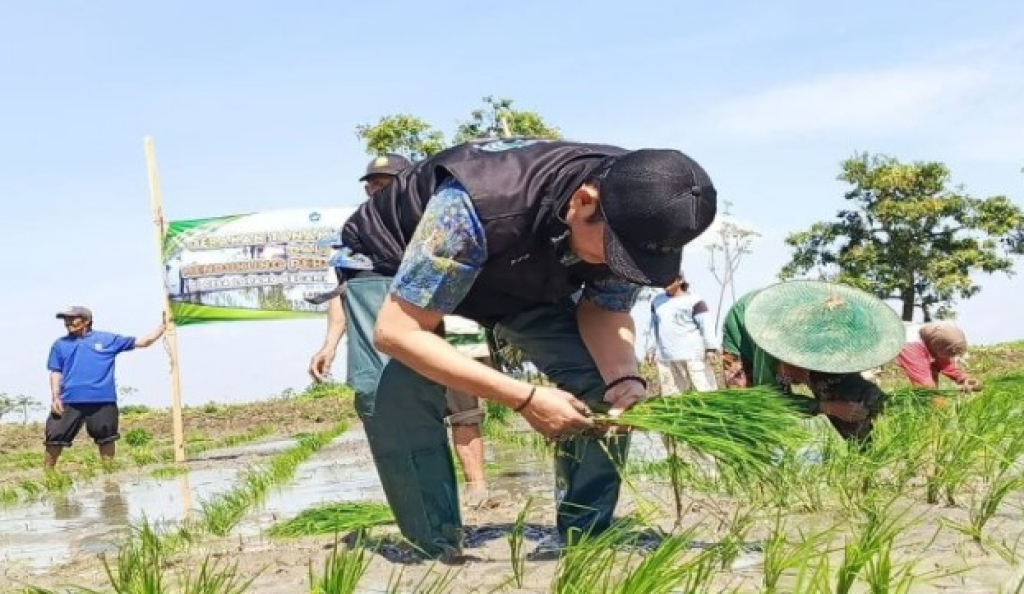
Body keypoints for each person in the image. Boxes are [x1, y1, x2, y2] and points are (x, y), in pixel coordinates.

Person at [333, 137, 716, 558]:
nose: (618, 264)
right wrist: (526, 398)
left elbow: (604, 310)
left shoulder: (646, 212)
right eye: (616, 253)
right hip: (394, 255)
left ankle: (585, 535)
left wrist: (624, 376)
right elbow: (398, 333)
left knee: (598, 386)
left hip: (520, 273)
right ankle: (433, 543)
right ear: (584, 202)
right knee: (396, 391)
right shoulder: (474, 205)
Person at [308, 153, 489, 499]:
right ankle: (431, 497)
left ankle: (477, 487)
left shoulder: (440, 221)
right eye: (373, 186)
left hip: (444, 325)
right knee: (410, 413)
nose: (378, 192)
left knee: (463, 405)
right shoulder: (356, 235)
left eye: (386, 185)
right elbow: (345, 294)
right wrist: (329, 344)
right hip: (392, 338)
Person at [721, 281, 906, 442]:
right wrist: (827, 407)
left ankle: (863, 445)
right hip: (747, 327)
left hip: (808, 337)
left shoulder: (835, 337)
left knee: (839, 385)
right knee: (752, 409)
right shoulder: (770, 344)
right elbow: (771, 400)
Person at [45, 306, 166, 470]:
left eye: (72, 318)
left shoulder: (107, 339)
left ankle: (109, 474)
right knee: (54, 435)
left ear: (86, 320)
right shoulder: (60, 345)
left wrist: (164, 325)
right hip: (69, 399)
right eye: (65, 319)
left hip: (102, 398)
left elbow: (143, 342)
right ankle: (48, 473)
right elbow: (55, 372)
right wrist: (55, 397)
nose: (67, 322)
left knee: (106, 437)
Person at [645, 273, 718, 395]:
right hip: (667, 357)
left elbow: (706, 325)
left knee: (704, 391)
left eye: (669, 280)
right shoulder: (657, 302)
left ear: (680, 280)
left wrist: (710, 348)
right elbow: (653, 327)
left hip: (693, 356)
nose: (665, 284)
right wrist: (650, 349)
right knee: (673, 396)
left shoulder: (695, 301)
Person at [896, 321, 981, 392]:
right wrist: (954, 391)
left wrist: (963, 379)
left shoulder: (933, 338)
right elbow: (925, 388)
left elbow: (942, 361)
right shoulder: (911, 345)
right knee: (929, 394)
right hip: (893, 346)